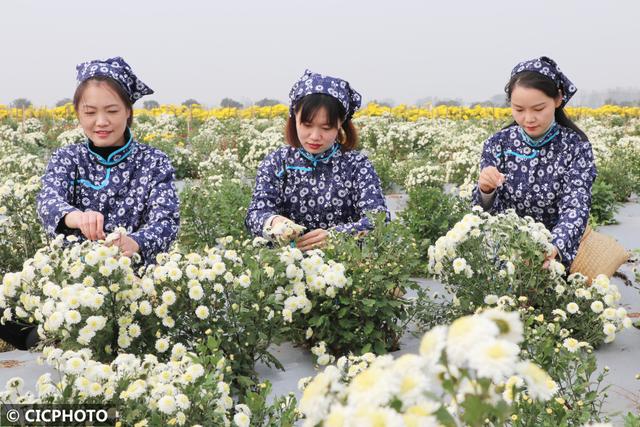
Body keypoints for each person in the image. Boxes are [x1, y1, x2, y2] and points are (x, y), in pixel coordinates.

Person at [0, 57, 180, 350]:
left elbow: (166, 222)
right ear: (78, 114)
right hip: (72, 281)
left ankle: (58, 336)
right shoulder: (68, 158)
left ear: (128, 111)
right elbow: (48, 200)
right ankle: (50, 335)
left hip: (134, 279)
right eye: (90, 112)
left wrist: (135, 242)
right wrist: (74, 216)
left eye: (111, 110)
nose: (101, 122)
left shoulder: (153, 162)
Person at [473, 56, 596, 268]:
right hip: (505, 253)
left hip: (557, 254)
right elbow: (483, 215)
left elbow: (575, 207)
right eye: (519, 110)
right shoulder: (498, 143)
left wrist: (552, 249)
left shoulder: (575, 146)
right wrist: (486, 190)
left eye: (538, 109)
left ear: (558, 99)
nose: (528, 119)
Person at [245, 70, 388, 251]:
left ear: (340, 123)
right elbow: (255, 214)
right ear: (294, 118)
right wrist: (274, 222)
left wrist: (338, 236)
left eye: (326, 127)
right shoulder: (277, 162)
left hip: (347, 267)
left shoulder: (357, 165)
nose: (315, 136)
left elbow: (379, 218)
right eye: (307, 125)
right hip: (287, 266)